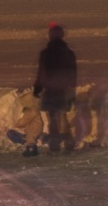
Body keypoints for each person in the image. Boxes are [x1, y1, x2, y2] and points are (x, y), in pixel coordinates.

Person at [31, 24, 78, 154]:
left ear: (50, 36)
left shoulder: (45, 53)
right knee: (63, 117)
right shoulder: (69, 53)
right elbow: (73, 73)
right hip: (63, 89)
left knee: (53, 119)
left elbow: (41, 73)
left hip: (51, 89)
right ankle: (68, 143)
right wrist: (71, 89)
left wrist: (37, 89)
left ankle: (55, 145)